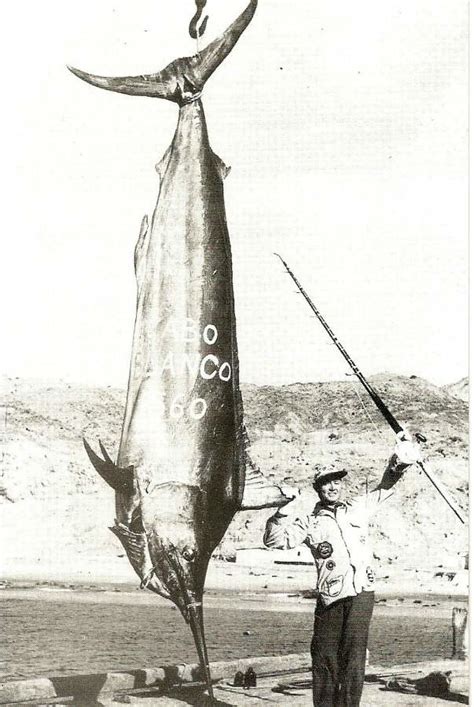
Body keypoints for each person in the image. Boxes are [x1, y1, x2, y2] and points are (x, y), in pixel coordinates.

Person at [263, 434, 422, 707]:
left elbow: (385, 485)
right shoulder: (309, 522)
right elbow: (274, 541)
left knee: (354, 658)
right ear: (318, 488)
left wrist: (401, 460)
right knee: (324, 656)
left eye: (337, 481)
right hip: (330, 597)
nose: (333, 487)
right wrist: (281, 512)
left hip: (362, 592)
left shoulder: (358, 508)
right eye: (326, 483)